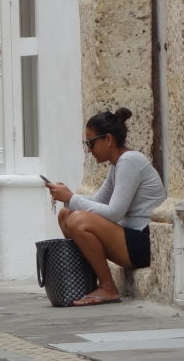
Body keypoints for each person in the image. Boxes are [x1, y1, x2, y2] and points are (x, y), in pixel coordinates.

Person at [45, 107, 165, 306]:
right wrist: (67, 198)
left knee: (77, 219)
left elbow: (114, 212)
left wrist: (72, 197)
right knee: (66, 214)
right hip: (130, 236)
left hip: (144, 240)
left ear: (108, 139)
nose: (89, 150)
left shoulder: (130, 161)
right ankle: (89, 281)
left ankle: (108, 287)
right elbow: (99, 200)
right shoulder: (118, 164)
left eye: (91, 143)